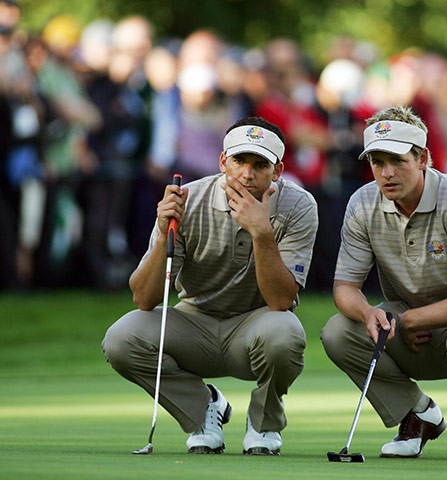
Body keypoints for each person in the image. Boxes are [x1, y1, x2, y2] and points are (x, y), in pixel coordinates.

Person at [102, 117, 318, 456]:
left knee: (285, 331)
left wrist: (262, 233)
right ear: (222, 162)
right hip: (195, 321)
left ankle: (263, 424)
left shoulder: (299, 206)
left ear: (277, 171)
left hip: (257, 324)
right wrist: (162, 236)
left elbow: (280, 300)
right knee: (121, 338)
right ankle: (204, 410)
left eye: (260, 165)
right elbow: (144, 297)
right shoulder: (190, 199)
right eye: (239, 162)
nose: (247, 175)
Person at [321, 105, 447, 461]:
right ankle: (416, 414)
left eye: (398, 161)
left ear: (423, 158)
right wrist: (368, 313)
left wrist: (414, 319)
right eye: (377, 162)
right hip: (410, 329)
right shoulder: (362, 204)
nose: (387, 173)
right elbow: (345, 288)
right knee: (338, 332)